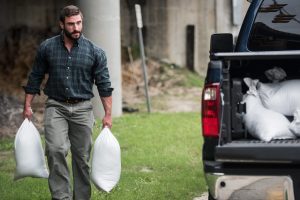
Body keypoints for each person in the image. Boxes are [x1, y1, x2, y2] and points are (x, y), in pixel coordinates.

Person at [23, 5, 113, 200]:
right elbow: (35, 76)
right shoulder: (47, 47)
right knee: (55, 150)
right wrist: (27, 105)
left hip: (83, 109)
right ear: (61, 24)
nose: (76, 28)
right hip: (56, 106)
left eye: (79, 23)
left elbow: (104, 85)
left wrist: (108, 115)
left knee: (82, 159)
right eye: (71, 24)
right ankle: (61, 197)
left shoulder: (95, 52)